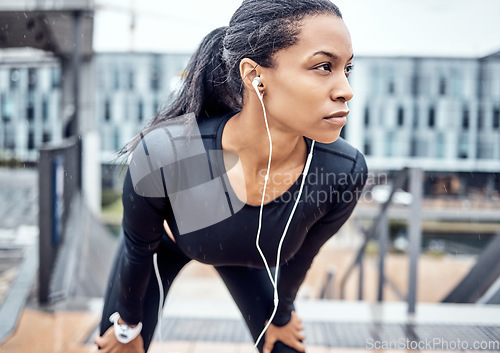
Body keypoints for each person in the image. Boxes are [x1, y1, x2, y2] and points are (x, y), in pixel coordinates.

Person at [94, 0, 367, 352]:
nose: (346, 89)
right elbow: (136, 248)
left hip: (241, 250)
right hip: (165, 243)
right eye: (324, 66)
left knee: (284, 346)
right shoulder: (168, 153)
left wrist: (281, 315)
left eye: (347, 69)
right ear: (255, 75)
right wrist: (128, 327)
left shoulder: (342, 172)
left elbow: (301, 258)